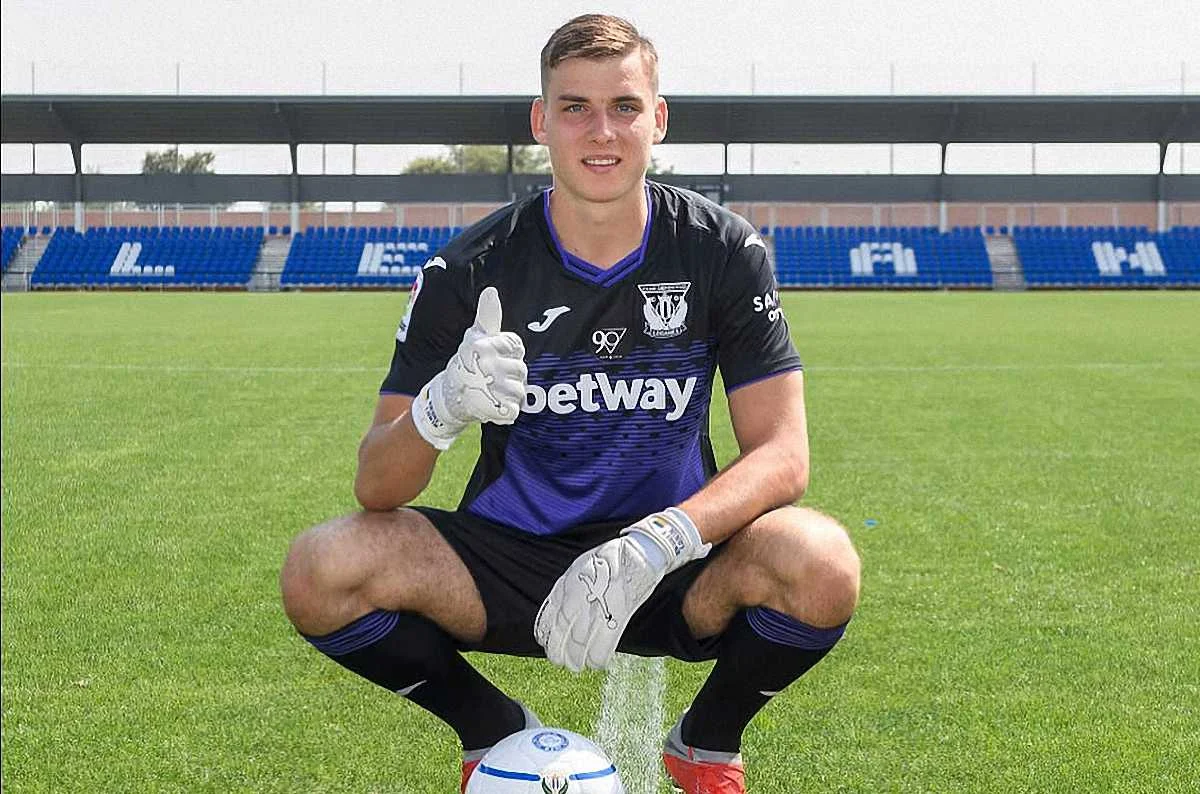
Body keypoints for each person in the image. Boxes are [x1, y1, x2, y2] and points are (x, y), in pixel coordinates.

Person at [279, 13, 860, 794]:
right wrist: (440, 409)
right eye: (575, 107)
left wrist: (664, 539)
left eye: (624, 106)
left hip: (671, 563)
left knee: (822, 562)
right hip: (515, 561)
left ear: (658, 118)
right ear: (540, 121)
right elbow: (376, 485)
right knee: (321, 569)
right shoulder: (468, 270)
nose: (601, 132)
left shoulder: (721, 250)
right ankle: (490, 730)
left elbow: (784, 454)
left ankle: (708, 743)